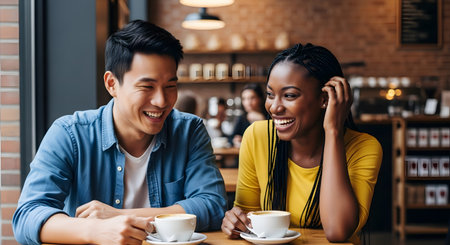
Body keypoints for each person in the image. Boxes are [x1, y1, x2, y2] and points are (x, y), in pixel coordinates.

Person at [13, 20, 227, 245]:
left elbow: (212, 205)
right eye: (147, 87)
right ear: (111, 84)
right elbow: (27, 216)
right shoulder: (70, 134)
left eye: (170, 86)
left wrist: (119, 216)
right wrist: (94, 231)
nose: (162, 101)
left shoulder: (189, 130)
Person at [221, 43, 382, 244]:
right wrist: (235, 221)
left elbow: (337, 231)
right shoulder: (257, 136)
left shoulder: (364, 147)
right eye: (271, 94)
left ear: (325, 99)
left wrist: (333, 131)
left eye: (289, 95)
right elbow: (247, 217)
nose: (275, 107)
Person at [231, 83, 267, 148]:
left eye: (252, 98)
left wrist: (262, 119)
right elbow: (231, 138)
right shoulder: (242, 118)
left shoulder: (269, 117)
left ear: (260, 99)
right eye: (244, 99)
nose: (248, 103)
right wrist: (235, 140)